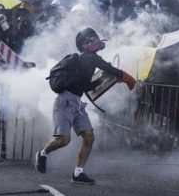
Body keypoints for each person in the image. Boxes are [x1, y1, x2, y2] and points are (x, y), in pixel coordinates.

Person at [35, 28, 136, 185]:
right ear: (83, 46)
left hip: (77, 102)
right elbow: (108, 68)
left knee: (89, 136)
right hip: (65, 101)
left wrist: (100, 81)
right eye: (90, 40)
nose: (95, 41)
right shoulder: (90, 58)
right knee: (63, 140)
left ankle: (78, 173)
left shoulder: (90, 60)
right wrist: (125, 76)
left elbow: (85, 86)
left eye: (95, 38)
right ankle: (42, 154)